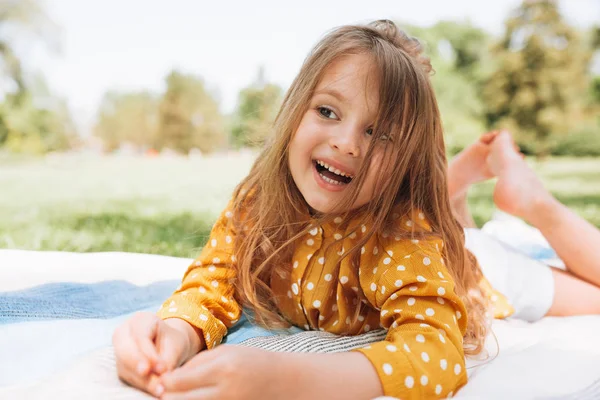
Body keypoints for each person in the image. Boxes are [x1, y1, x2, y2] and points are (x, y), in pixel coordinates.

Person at [111, 20, 599, 400]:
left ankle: (530, 199)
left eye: (380, 133)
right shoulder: (259, 201)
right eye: (328, 111)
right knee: (433, 209)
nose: (347, 143)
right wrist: (171, 338)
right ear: (294, 111)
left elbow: (436, 354)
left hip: (477, 266)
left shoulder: (406, 236)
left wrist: (287, 380)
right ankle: (458, 185)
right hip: (425, 221)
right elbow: (211, 284)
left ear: (405, 159)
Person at [449, 130, 600, 320]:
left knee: (456, 242)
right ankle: (534, 200)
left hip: (429, 242)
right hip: (441, 259)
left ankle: (444, 193)